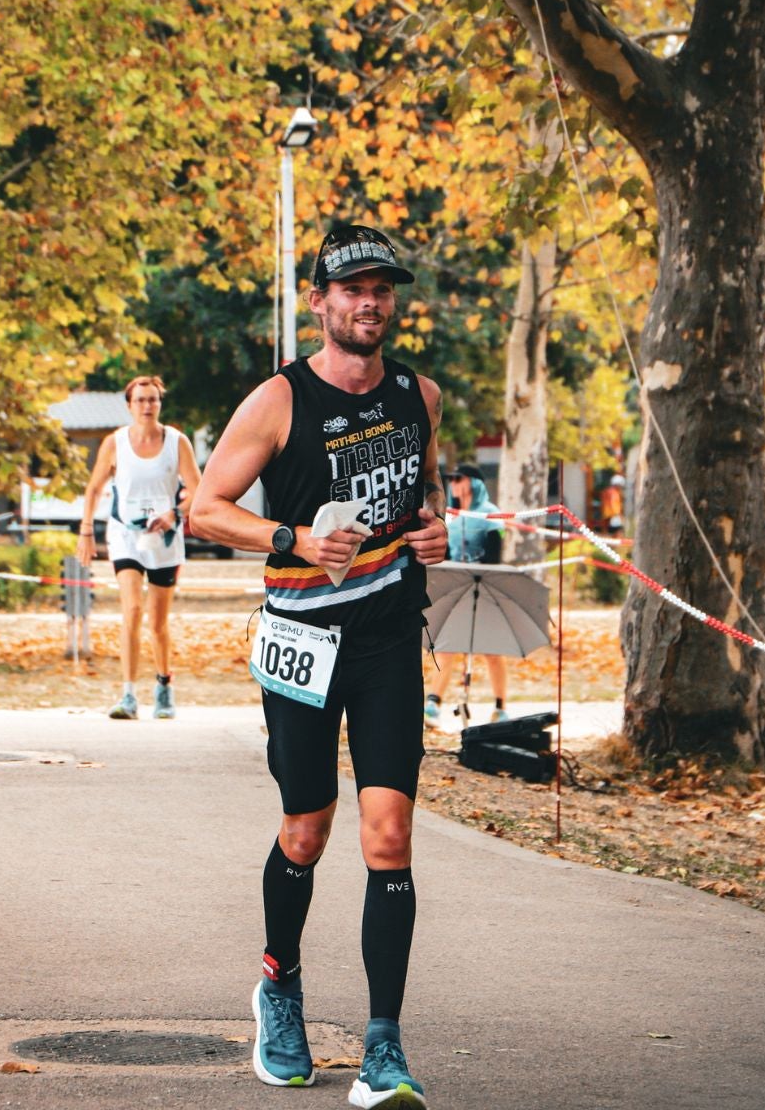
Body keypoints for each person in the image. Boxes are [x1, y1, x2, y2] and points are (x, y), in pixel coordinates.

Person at [191, 224, 448, 1109]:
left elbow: (426, 493)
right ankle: (280, 987)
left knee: (389, 836)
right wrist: (293, 537)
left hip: (384, 638)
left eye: (381, 288)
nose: (369, 302)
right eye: (352, 289)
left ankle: (384, 1048)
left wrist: (436, 528)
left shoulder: (422, 395)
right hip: (302, 641)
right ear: (320, 301)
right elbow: (204, 508)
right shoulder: (278, 400)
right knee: (307, 830)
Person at [77, 376, 202, 719]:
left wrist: (173, 513)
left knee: (157, 622)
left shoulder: (177, 442)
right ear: (130, 405)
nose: (147, 406)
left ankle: (163, 686)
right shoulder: (114, 443)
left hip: (163, 538)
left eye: (153, 400)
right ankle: (128, 695)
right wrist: (86, 530)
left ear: (160, 404)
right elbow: (93, 489)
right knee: (131, 610)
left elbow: (198, 490)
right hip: (125, 535)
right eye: (141, 400)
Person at [425, 463, 508, 724]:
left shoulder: (490, 514)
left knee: (493, 650)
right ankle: (433, 702)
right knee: (447, 646)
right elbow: (446, 556)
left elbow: (495, 556)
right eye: (450, 479)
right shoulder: (453, 516)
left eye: (458, 479)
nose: (454, 483)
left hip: (485, 589)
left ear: (473, 483)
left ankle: (500, 706)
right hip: (458, 590)